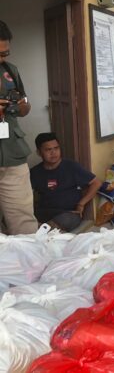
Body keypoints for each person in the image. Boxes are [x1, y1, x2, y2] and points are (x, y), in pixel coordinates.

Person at [0, 20, 38, 234]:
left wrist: (23, 107)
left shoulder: (10, 70)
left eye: (5, 53)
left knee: (24, 221)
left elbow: (24, 104)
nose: (2, 58)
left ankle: (29, 264)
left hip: (12, 153)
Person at [30, 133, 101, 232]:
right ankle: (44, 230)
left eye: (56, 148)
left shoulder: (71, 166)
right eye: (48, 150)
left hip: (68, 213)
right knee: (22, 218)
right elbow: (25, 194)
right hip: (44, 212)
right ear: (39, 152)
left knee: (67, 219)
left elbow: (96, 183)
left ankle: (43, 230)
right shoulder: (35, 172)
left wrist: (81, 204)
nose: (53, 152)